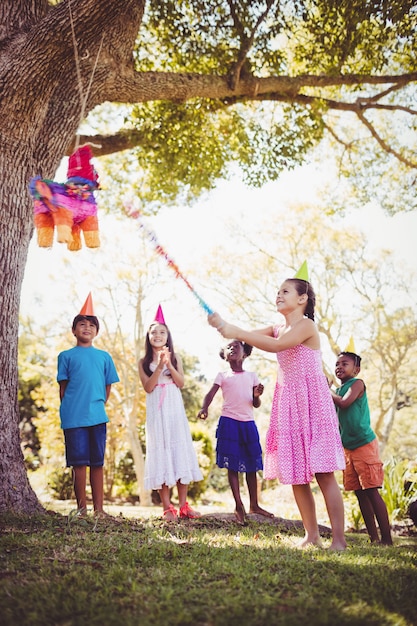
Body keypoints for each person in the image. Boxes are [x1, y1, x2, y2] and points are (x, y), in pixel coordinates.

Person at [208, 262, 347, 550]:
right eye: (278, 291)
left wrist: (235, 330)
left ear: (302, 298)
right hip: (289, 401)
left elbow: (276, 346)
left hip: (312, 401)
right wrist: (223, 325)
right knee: (297, 471)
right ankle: (311, 535)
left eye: (285, 291)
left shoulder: (305, 325)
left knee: (322, 472)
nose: (279, 295)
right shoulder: (277, 326)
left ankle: (339, 540)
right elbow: (247, 336)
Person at [198, 339, 274, 524]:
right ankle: (238, 505)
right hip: (229, 422)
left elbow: (255, 404)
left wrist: (256, 396)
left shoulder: (252, 376)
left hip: (248, 424)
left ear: (245, 353)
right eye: (228, 347)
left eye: (236, 346)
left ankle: (254, 504)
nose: (232, 348)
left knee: (251, 464)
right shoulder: (222, 375)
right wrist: (204, 408)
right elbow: (210, 393)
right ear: (224, 355)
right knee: (232, 465)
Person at [57, 292, 119, 518]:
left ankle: (99, 510)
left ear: (97, 331)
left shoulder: (104, 357)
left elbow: (107, 387)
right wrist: (72, 408)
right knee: (79, 463)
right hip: (73, 418)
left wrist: (96, 405)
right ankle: (81, 509)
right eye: (81, 324)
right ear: (74, 330)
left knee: (97, 463)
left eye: (91, 325)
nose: (86, 328)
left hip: (97, 417)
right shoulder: (65, 356)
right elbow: (63, 387)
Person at [138, 305, 203, 521]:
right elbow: (148, 387)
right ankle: (167, 507)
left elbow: (181, 382)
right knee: (161, 451)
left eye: (162, 332)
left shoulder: (176, 358)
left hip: (174, 408)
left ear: (168, 337)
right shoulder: (143, 362)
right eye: (153, 332)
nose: (157, 335)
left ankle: (184, 505)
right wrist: (158, 367)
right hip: (157, 410)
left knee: (179, 449)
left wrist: (168, 364)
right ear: (148, 337)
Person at [331, 349, 393, 545]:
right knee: (360, 492)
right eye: (337, 364)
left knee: (371, 490)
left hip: (364, 444)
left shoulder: (357, 384)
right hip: (348, 447)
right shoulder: (338, 391)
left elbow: (344, 403)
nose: (339, 367)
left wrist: (325, 389)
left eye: (345, 364)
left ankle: (387, 539)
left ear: (356, 370)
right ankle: (373, 538)